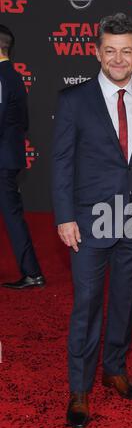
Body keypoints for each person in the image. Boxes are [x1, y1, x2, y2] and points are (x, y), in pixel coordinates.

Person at [52, 13, 132, 428]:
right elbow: (61, 163)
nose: (118, 58)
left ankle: (114, 369)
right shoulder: (73, 100)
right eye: (110, 50)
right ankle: (79, 389)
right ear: (98, 52)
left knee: (126, 301)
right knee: (87, 305)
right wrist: (64, 217)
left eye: (126, 51)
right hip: (89, 220)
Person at [0, 25, 45, 289]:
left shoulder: (2, 76)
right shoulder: (13, 76)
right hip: (9, 156)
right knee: (13, 214)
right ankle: (32, 272)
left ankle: (32, 272)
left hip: (2, 160)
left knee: (13, 215)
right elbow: (23, 121)